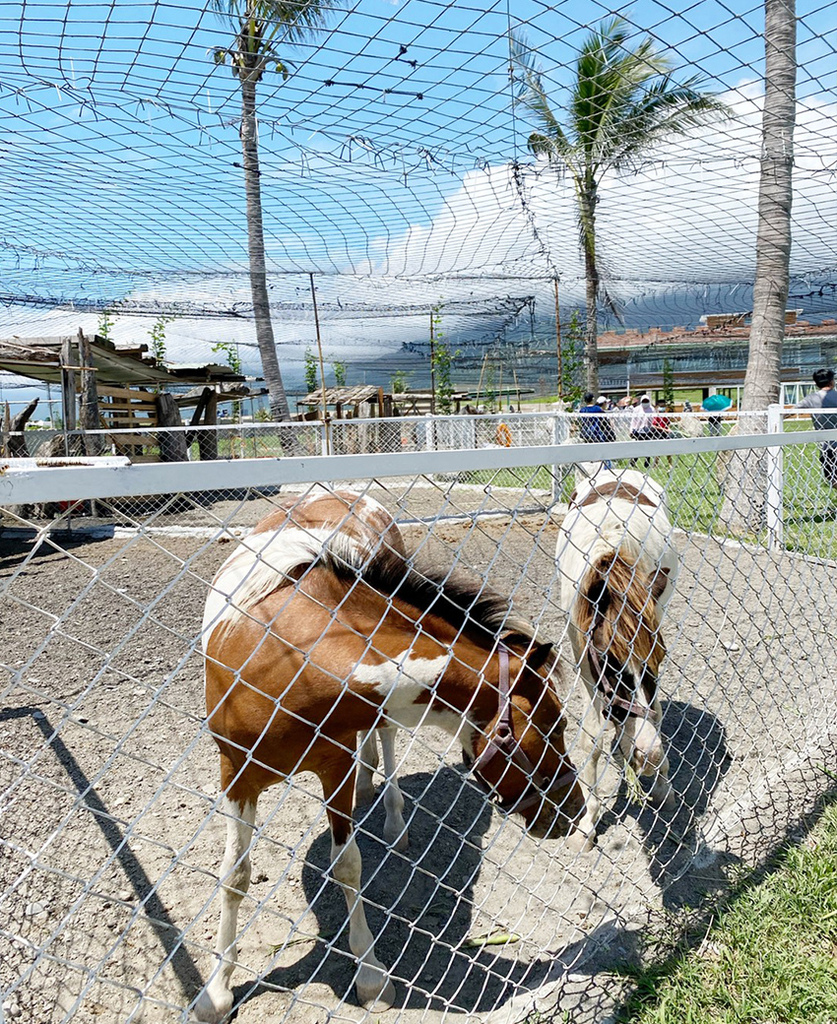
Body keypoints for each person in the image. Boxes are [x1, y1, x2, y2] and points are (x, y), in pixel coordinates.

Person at [798, 368, 837, 488]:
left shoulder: (811, 399)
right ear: (832, 381)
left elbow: (790, 411)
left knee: (832, 476)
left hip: (827, 446)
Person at [629, 394, 656, 467]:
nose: (645, 402)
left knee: (648, 446)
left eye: (646, 401)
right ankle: (634, 461)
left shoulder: (652, 409)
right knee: (638, 447)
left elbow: (654, 420)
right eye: (644, 401)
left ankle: (647, 461)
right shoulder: (637, 409)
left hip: (649, 430)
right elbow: (633, 420)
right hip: (639, 430)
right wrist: (631, 430)